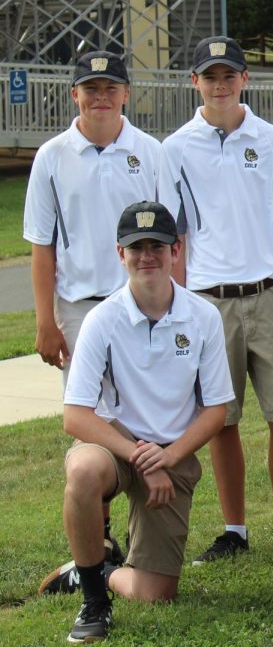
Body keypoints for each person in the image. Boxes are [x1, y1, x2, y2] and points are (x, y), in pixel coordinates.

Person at [42, 201, 233, 643]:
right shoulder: (101, 319)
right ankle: (94, 602)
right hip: (118, 444)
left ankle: (100, 570)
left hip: (174, 449)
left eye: (157, 246)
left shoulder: (202, 316)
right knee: (83, 470)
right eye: (136, 247)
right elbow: (75, 415)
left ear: (176, 250)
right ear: (119, 253)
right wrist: (144, 458)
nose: (147, 256)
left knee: (155, 593)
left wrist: (168, 456)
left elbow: (216, 411)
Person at [25, 50, 181, 567]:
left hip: (142, 302)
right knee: (93, 420)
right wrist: (46, 320)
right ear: (75, 94)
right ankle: (103, 536)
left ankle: (149, 524)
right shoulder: (51, 156)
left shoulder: (150, 151)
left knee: (143, 409)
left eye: (110, 87)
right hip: (79, 307)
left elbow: (170, 233)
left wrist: (175, 303)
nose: (100, 96)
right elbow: (42, 244)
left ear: (126, 93)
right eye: (90, 87)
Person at [163, 37, 273, 563]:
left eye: (230, 75)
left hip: (270, 294)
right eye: (211, 76)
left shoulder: (272, 140)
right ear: (195, 83)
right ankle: (234, 529)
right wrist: (179, 305)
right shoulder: (175, 148)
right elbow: (175, 238)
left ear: (245, 79)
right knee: (221, 419)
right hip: (209, 302)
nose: (220, 84)